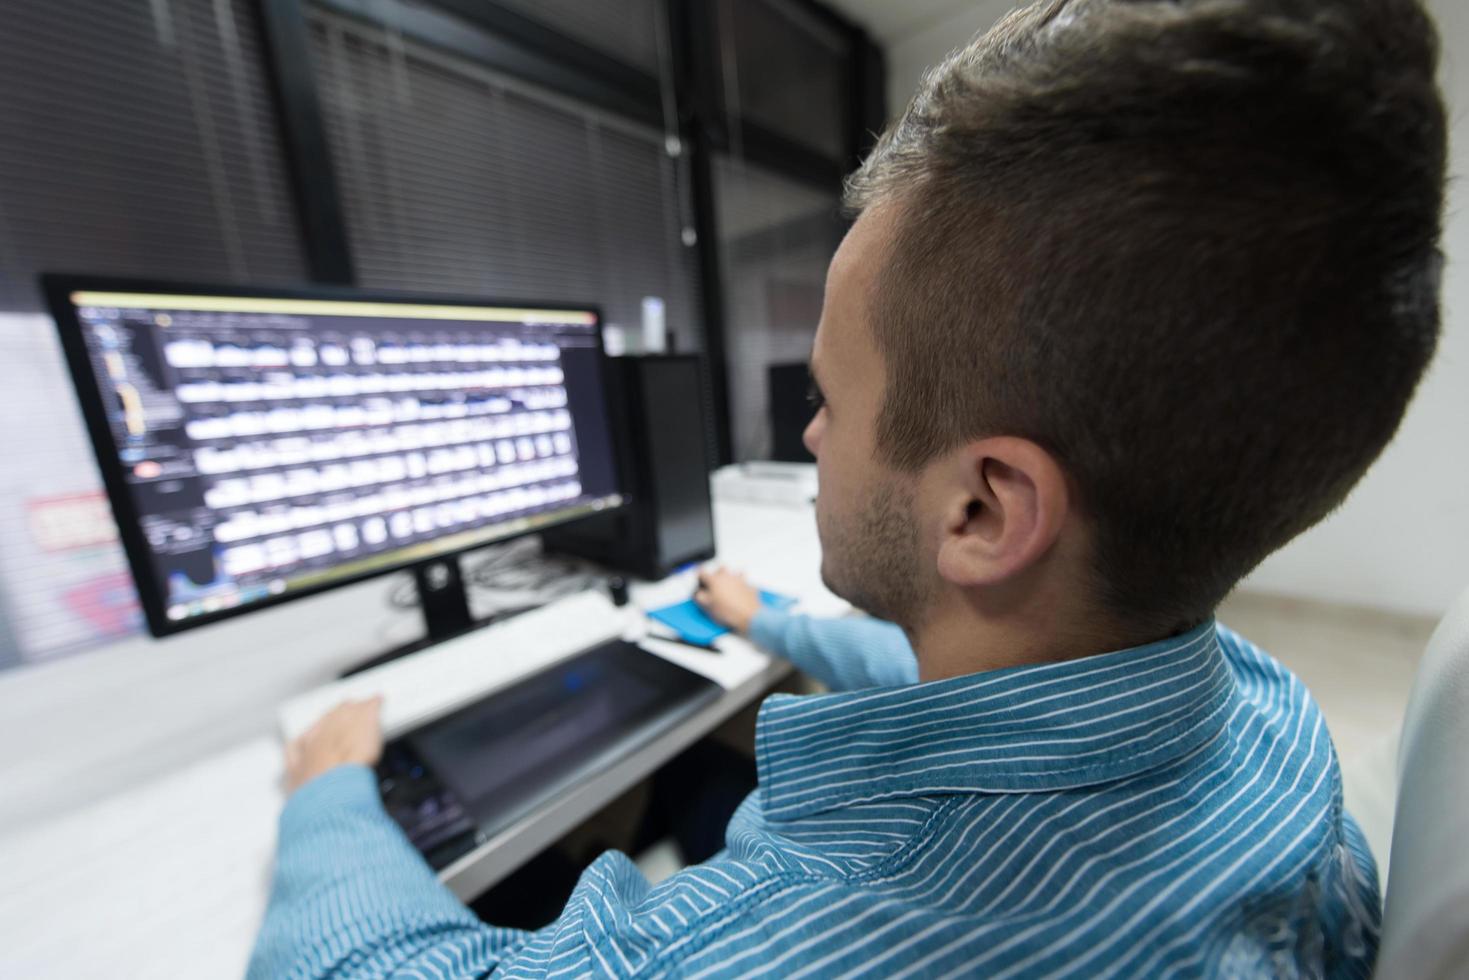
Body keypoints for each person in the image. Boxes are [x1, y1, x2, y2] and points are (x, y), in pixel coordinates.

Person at [248, 0, 1445, 975]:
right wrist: (770, 623)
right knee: (708, 780)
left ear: (980, 509)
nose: (811, 435)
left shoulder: (815, 942)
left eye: (826, 398)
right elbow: (1012, 689)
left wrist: (333, 790)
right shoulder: (1266, 709)